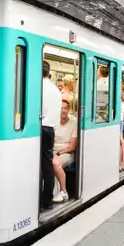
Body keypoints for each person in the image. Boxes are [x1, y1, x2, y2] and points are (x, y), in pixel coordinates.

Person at [41, 61, 62, 210]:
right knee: (47, 164)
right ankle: (47, 200)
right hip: (50, 129)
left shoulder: (38, 87)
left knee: (38, 165)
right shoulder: (56, 90)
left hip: (40, 128)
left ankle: (40, 199)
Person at [52, 100, 77, 204]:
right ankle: (52, 192)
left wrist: (58, 154)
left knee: (55, 163)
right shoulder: (53, 122)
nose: (63, 111)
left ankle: (63, 191)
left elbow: (72, 147)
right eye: (61, 108)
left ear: (69, 109)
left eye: (65, 108)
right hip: (52, 151)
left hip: (67, 152)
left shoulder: (74, 122)